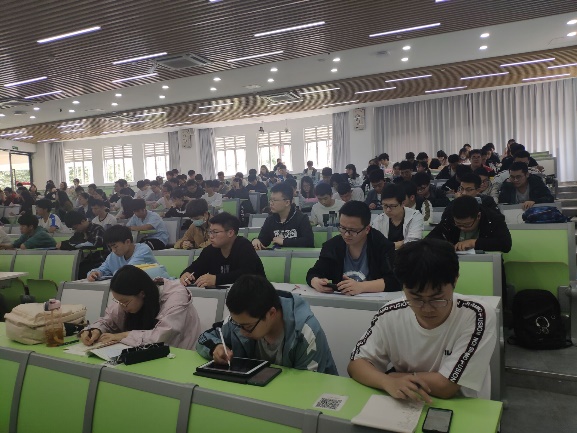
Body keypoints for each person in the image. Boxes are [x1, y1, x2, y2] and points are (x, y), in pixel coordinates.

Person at [348, 238, 496, 400]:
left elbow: (446, 387)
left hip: (463, 404)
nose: (426, 309)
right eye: (416, 298)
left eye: (437, 299)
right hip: (406, 402)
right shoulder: (390, 313)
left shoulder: (476, 314)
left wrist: (394, 376)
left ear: (455, 280)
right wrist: (387, 381)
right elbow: (356, 365)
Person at [196, 274, 338, 374]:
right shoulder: (241, 321)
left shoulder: (305, 332)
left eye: (248, 327)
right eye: (237, 324)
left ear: (271, 313)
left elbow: (307, 387)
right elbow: (204, 338)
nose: (241, 331)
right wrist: (216, 347)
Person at [80, 265, 201, 350]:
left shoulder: (176, 296)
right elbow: (109, 320)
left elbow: (162, 335)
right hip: (147, 355)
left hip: (180, 354)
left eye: (124, 302)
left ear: (142, 293)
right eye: (118, 301)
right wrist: (96, 330)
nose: (122, 306)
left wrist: (123, 335)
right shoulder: (129, 297)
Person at [307, 201, 400, 295]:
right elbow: (314, 273)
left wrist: (362, 287)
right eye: (342, 228)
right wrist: (315, 282)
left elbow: (395, 280)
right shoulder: (332, 246)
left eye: (353, 230)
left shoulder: (381, 245)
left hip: (373, 301)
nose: (346, 235)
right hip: (342, 300)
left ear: (367, 229)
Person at [179, 212, 265, 286]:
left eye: (215, 232)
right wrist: (186, 274)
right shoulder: (210, 250)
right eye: (210, 232)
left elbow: (247, 274)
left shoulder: (244, 247)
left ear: (230, 233)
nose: (211, 236)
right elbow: (195, 268)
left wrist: (216, 279)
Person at [427, 195, 512, 253]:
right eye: (458, 224)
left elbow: (505, 244)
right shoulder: (449, 218)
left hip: (488, 265)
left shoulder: (493, 219)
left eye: (466, 225)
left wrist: (473, 243)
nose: (462, 228)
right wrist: (446, 246)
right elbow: (429, 240)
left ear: (478, 216)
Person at [252, 183, 314, 249]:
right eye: (270, 200)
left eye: (274, 200)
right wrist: (256, 240)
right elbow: (263, 240)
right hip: (278, 255)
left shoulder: (301, 218)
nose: (271, 203)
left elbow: (308, 242)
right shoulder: (270, 220)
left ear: (287, 202)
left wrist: (284, 242)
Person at [87, 226, 158, 281]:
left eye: (115, 246)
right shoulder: (113, 255)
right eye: (110, 247)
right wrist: (95, 273)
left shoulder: (143, 250)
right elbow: (103, 269)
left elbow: (127, 271)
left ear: (127, 242)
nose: (113, 250)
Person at [372, 184, 424, 250]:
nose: (388, 210)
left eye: (392, 206)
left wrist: (387, 245)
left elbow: (413, 243)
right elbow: (374, 244)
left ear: (403, 203)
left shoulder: (415, 216)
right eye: (385, 205)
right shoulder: (379, 220)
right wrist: (400, 243)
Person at [61, 211, 109, 276]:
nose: (75, 230)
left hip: (101, 262)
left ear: (82, 221)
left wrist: (69, 245)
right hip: (89, 261)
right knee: (72, 269)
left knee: (78, 272)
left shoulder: (97, 229)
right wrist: (64, 243)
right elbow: (71, 242)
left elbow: (94, 245)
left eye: (75, 228)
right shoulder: (80, 232)